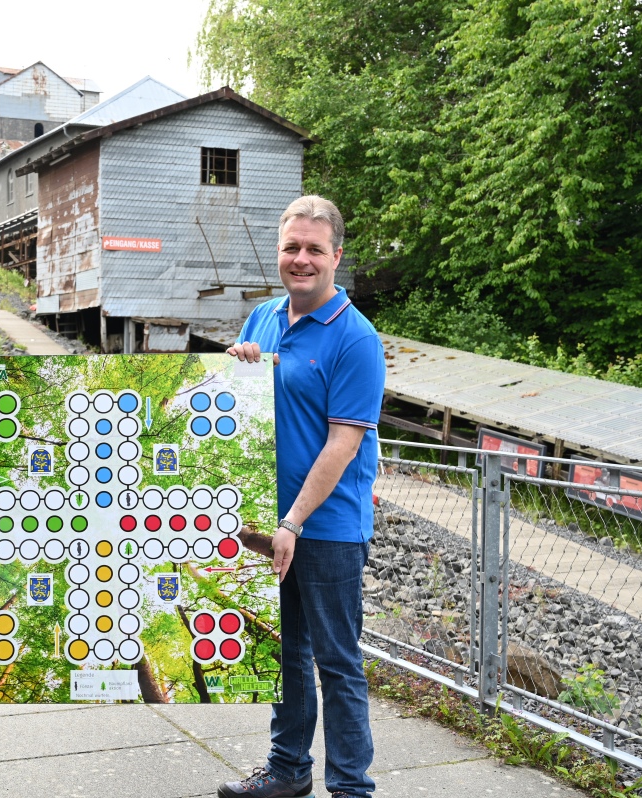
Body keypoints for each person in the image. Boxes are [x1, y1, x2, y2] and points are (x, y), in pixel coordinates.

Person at [220, 196, 385, 798]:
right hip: (268, 521)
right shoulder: (261, 318)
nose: (302, 259)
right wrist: (237, 370)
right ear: (279, 251)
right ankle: (287, 771)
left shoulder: (356, 339)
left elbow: (343, 444)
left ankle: (351, 788)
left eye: (315, 249)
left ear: (336, 256)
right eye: (292, 247)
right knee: (285, 655)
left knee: (337, 662)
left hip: (327, 528)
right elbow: (238, 411)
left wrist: (292, 522)